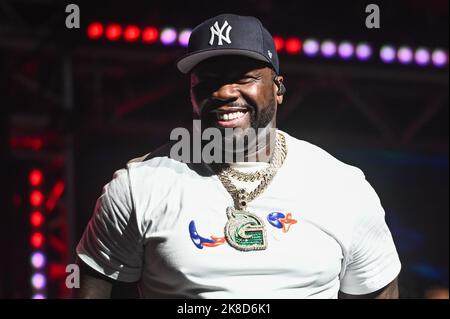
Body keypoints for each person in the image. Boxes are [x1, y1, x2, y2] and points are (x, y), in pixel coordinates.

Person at [75, 14, 401, 299]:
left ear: (277, 88)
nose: (224, 92)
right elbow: (95, 288)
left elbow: (380, 291)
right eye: (209, 82)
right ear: (191, 93)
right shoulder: (138, 185)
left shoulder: (341, 185)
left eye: (243, 77)